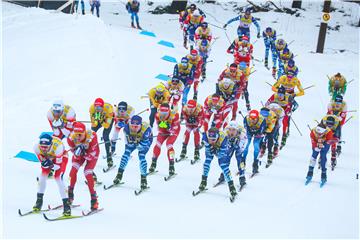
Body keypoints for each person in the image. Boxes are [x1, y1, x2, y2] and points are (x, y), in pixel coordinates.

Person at [33, 133, 70, 216]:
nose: (43, 149)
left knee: (58, 179)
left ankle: (66, 206)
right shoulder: (36, 148)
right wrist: (46, 162)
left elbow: (58, 166)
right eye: (41, 146)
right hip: (48, 158)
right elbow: (42, 162)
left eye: (45, 147)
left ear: (51, 144)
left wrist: (51, 164)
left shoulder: (58, 147)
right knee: (42, 178)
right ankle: (39, 201)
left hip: (61, 158)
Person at [195, 127, 237, 198]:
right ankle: (203, 182)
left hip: (221, 149)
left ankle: (232, 187)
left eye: (213, 140)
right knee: (206, 163)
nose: (211, 141)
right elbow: (208, 151)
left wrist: (216, 151)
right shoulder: (205, 137)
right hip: (213, 149)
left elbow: (220, 155)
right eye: (210, 139)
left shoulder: (224, 139)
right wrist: (211, 148)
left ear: (217, 137)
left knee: (223, 166)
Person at [112, 115, 152, 189]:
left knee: (141, 156)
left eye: (136, 127)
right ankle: (119, 175)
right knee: (125, 155)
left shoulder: (146, 130)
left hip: (145, 141)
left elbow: (143, 145)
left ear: (140, 125)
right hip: (133, 140)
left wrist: (138, 143)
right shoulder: (127, 128)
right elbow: (127, 142)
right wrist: (132, 142)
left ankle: (144, 180)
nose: (134, 128)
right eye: (132, 126)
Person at [67, 122, 100, 211]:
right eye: (76, 134)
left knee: (87, 173)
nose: (77, 137)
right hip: (81, 154)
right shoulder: (70, 138)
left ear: (85, 133)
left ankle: (94, 200)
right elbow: (74, 152)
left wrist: (83, 152)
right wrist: (77, 153)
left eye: (80, 135)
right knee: (73, 171)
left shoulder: (92, 136)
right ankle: (70, 195)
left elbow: (91, 155)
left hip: (92, 154)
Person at [149, 103, 180, 176]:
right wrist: (164, 126)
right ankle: (153, 162)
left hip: (174, 131)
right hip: (163, 130)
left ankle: (171, 165)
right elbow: (159, 127)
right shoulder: (157, 115)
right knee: (158, 144)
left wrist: (169, 128)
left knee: (169, 145)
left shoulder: (175, 115)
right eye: (161, 112)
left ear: (169, 111)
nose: (163, 115)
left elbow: (175, 129)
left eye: (165, 113)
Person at [217, 121, 248, 188]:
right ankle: (224, 173)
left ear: (237, 130)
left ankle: (242, 176)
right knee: (226, 159)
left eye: (233, 130)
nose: (231, 132)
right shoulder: (225, 132)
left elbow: (242, 146)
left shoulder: (242, 133)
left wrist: (238, 146)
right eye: (230, 129)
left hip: (239, 143)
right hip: (230, 143)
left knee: (239, 159)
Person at [89, 98, 114, 168]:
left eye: (99, 107)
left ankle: (109, 158)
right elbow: (93, 125)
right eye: (96, 107)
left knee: (105, 136)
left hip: (107, 120)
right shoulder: (92, 109)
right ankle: (88, 154)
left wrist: (101, 121)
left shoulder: (109, 109)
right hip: (99, 118)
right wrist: (96, 120)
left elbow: (106, 126)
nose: (97, 109)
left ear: (103, 107)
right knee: (91, 134)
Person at [242, 110, 266, 174]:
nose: (252, 120)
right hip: (249, 132)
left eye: (254, 119)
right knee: (246, 146)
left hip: (258, 133)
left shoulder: (262, 120)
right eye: (251, 118)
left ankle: (255, 163)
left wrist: (257, 133)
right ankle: (242, 162)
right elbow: (246, 128)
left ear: (257, 117)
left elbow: (261, 130)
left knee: (256, 146)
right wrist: (250, 132)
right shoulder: (246, 119)